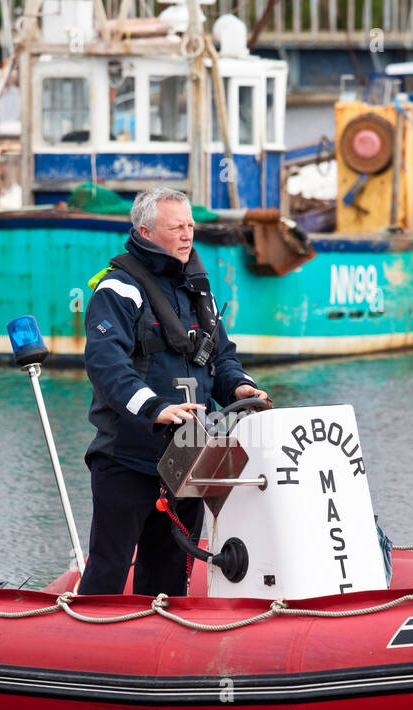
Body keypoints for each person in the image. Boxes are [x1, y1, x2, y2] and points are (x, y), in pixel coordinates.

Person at [78, 187, 267, 596]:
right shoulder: (117, 290)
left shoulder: (199, 292)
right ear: (145, 231)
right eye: (176, 227)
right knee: (108, 571)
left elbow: (221, 357)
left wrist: (239, 386)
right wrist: (155, 408)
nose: (187, 236)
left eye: (191, 227)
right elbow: (107, 366)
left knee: (168, 578)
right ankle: (86, 648)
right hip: (127, 460)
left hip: (189, 458)